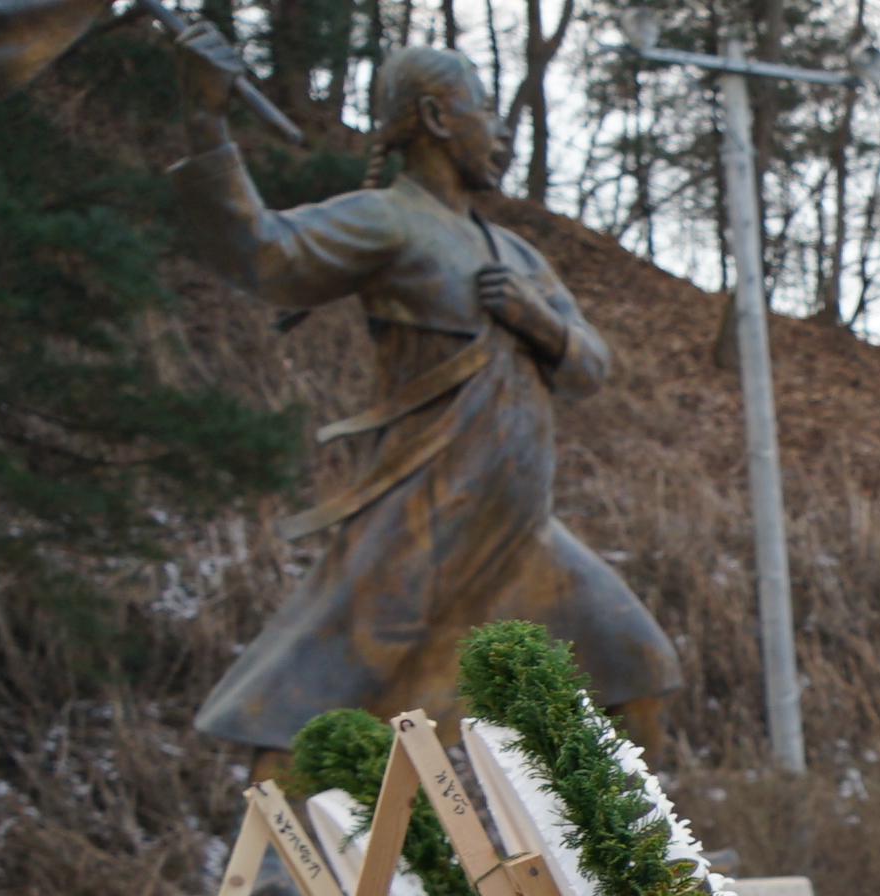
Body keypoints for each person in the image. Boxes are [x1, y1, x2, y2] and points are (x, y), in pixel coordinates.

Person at [168, 47, 678, 766]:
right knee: (323, 691)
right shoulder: (386, 221)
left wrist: (540, 321)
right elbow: (264, 254)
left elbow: (590, 366)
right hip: (424, 518)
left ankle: (633, 855)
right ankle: (278, 868)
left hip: (521, 527)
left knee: (634, 660)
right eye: (486, 112)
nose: (500, 134)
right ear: (438, 117)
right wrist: (205, 122)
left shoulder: (520, 256)